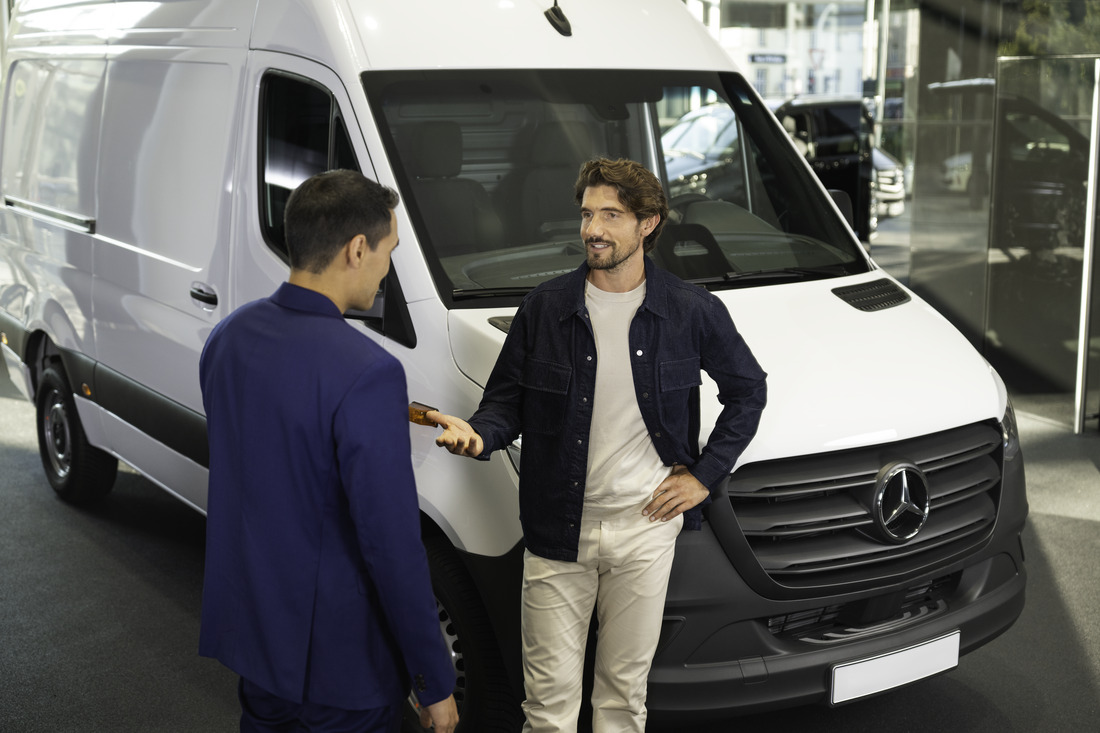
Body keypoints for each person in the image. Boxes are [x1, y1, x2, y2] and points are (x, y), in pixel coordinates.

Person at [429, 158, 767, 732]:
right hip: (557, 534)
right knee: (548, 712)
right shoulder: (547, 307)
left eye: (611, 215)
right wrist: (479, 435)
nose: (593, 229)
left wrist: (703, 475)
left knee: (621, 704)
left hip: (645, 533)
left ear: (648, 224)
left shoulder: (690, 310)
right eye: (587, 214)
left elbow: (748, 390)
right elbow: (504, 404)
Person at [198, 169, 459, 733]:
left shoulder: (228, 339)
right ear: (357, 249)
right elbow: (391, 547)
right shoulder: (369, 373)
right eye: (388, 251)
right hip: (341, 665)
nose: (387, 268)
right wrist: (433, 680)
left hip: (257, 640)